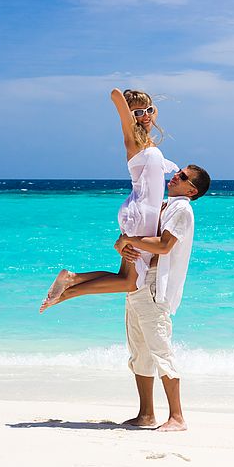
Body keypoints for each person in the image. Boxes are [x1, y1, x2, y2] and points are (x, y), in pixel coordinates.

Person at [39, 89, 177, 312]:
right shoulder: (132, 140)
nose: (146, 116)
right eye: (138, 113)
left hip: (142, 212)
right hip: (141, 214)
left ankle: (71, 279)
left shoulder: (148, 144)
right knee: (131, 281)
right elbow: (115, 95)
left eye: (149, 110)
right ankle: (69, 290)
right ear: (130, 118)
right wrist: (127, 106)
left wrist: (146, 107)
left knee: (125, 276)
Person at [114, 164, 211, 431]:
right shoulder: (167, 204)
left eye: (182, 177)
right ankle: (146, 414)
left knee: (160, 349)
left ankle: (177, 417)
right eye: (177, 171)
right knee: (139, 351)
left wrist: (129, 241)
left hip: (156, 286)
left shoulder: (182, 209)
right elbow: (140, 230)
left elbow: (165, 246)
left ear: (191, 190)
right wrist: (124, 241)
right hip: (140, 282)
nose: (174, 176)